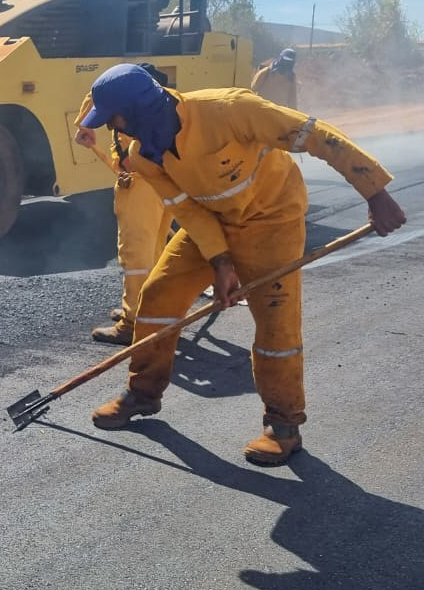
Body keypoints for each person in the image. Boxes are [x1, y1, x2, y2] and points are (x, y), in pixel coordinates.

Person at [79, 64, 405, 465]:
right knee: (159, 294)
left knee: (275, 324)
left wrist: (375, 192)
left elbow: (316, 135)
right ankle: (143, 393)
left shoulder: (229, 110)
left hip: (272, 220)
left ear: (141, 109)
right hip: (212, 222)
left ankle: (283, 426)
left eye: (115, 118)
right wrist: (220, 260)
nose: (113, 128)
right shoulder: (144, 156)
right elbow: (186, 210)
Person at [73, 64, 174, 346]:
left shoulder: (132, 112)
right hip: (163, 182)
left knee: (136, 255)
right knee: (155, 250)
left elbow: (97, 94)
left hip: (139, 185)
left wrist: (82, 124)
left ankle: (133, 323)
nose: (109, 124)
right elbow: (101, 93)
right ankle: (152, 311)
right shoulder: (161, 103)